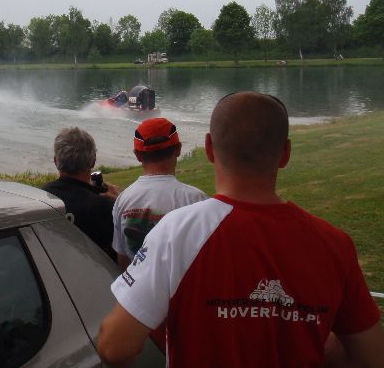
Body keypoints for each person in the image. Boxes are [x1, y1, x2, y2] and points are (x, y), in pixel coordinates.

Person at [97, 92, 383, 368]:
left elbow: (114, 346)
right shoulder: (334, 245)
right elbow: (371, 358)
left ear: (209, 149)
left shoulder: (176, 233)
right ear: (285, 154)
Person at [112, 118, 207, 271]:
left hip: (138, 292)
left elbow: (123, 260)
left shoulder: (123, 200)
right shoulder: (197, 200)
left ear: (137, 155)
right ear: (178, 149)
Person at [42, 127, 120, 261]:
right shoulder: (105, 207)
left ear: (56, 161)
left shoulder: (43, 196)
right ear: (93, 161)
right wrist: (121, 202)